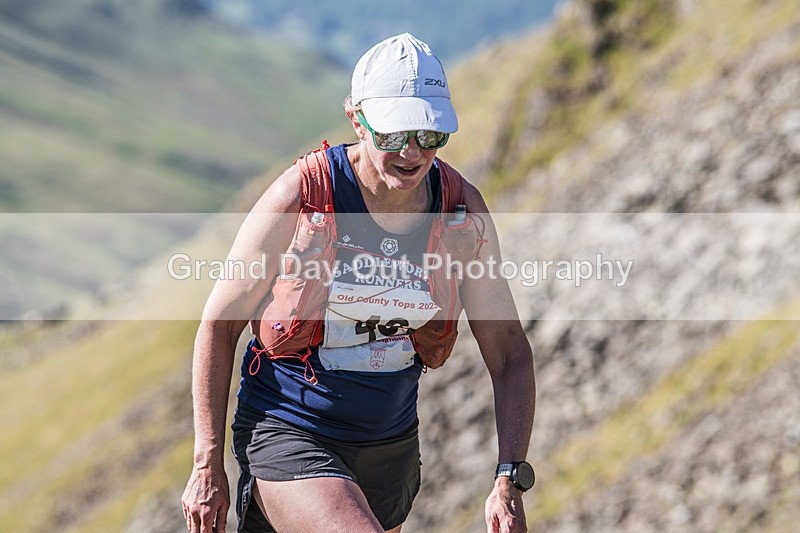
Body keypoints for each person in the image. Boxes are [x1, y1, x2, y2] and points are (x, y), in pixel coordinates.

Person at [181, 33, 535, 533]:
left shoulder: (459, 210)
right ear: (357, 119)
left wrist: (509, 477)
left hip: (390, 451)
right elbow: (219, 324)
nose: (412, 152)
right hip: (290, 431)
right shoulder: (301, 195)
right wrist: (207, 464)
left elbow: (509, 350)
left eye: (430, 135)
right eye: (392, 135)